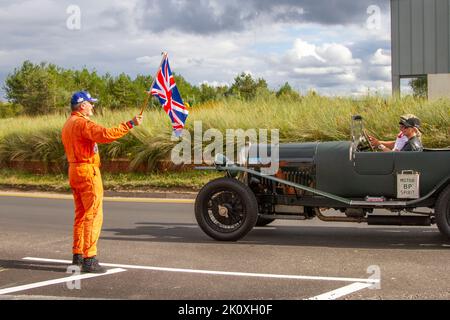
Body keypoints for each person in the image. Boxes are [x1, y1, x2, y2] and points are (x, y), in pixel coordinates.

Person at [62, 91, 143, 273]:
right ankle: (89, 258)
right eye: (91, 103)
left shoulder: (68, 124)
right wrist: (130, 123)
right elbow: (106, 134)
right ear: (82, 105)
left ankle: (78, 255)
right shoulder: (82, 123)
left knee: (81, 214)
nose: (93, 106)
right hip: (87, 171)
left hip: (74, 170)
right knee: (93, 214)